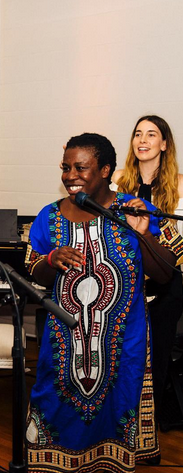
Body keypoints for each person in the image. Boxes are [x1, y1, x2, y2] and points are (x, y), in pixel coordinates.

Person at [25, 133, 183, 473]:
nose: (70, 176)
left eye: (81, 168)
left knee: (119, 401)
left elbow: (166, 272)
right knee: (53, 400)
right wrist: (51, 259)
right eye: (65, 168)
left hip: (124, 341)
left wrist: (141, 234)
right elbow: (32, 269)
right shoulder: (48, 215)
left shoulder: (136, 209)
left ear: (105, 170)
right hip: (63, 341)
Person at [113, 115, 183, 430]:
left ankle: (148, 419)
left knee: (159, 342)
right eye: (138, 134)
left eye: (151, 134)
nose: (143, 140)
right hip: (125, 276)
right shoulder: (117, 180)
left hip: (168, 276)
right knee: (123, 345)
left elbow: (179, 243)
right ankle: (119, 409)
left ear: (164, 144)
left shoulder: (180, 185)